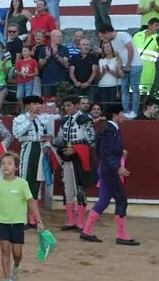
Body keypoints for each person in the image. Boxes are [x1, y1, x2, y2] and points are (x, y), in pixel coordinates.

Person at [79, 104, 139, 246]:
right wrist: (118, 167)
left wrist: (119, 153)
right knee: (121, 200)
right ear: (115, 115)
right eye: (122, 113)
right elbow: (105, 152)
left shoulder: (110, 129)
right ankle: (122, 235)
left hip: (106, 168)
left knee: (104, 200)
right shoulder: (110, 130)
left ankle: (87, 231)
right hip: (110, 170)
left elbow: (100, 151)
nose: (124, 115)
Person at [0, 152, 45, 281]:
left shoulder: (22, 184)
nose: (5, 166)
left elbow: (31, 202)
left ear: (16, 167)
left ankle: (17, 265)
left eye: (9, 163)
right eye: (3, 163)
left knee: (17, 252)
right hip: (1, 221)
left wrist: (39, 221)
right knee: (4, 249)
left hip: (18, 222)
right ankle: (7, 279)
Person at [53, 96, 98, 231]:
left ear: (76, 106)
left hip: (80, 157)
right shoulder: (64, 120)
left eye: (69, 105)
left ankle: (80, 223)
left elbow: (92, 140)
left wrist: (76, 148)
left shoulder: (85, 119)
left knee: (80, 189)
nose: (67, 108)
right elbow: (60, 139)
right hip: (67, 157)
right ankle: (71, 221)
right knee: (68, 189)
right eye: (65, 106)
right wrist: (52, 140)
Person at [11, 95, 47, 226]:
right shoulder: (19, 119)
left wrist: (47, 143)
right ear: (27, 106)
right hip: (27, 151)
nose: (37, 106)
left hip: (40, 152)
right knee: (24, 184)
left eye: (39, 104)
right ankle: (22, 218)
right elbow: (17, 134)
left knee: (36, 185)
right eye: (34, 104)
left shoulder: (42, 120)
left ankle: (32, 218)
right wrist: (29, 121)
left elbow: (45, 136)